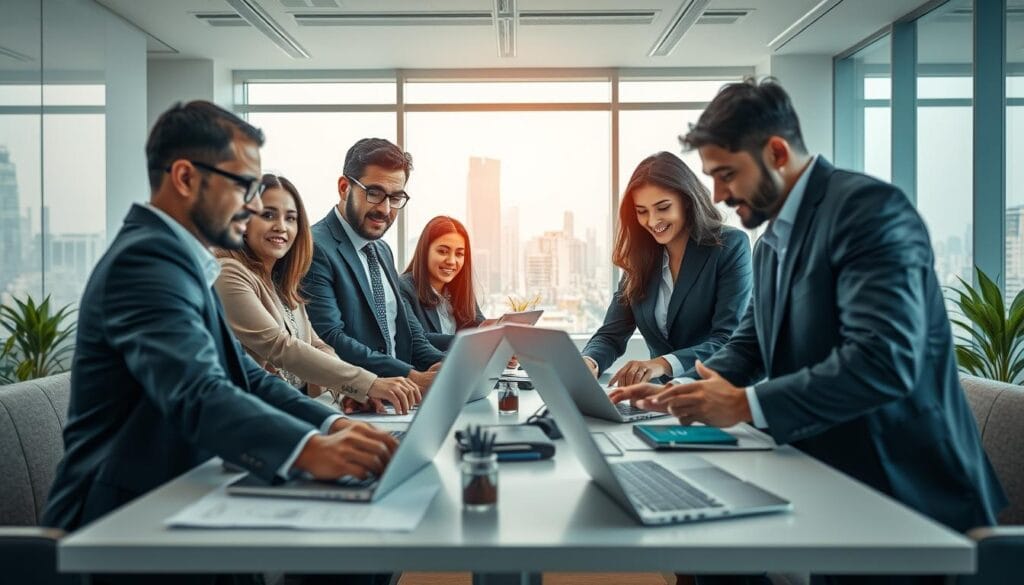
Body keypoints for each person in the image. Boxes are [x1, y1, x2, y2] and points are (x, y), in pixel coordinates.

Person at [611, 79, 1006, 585]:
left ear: (776, 152)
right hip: (830, 484)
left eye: (727, 174)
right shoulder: (771, 241)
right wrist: (676, 393)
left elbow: (882, 361)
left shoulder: (869, 211)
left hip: (908, 497)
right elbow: (750, 346)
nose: (718, 195)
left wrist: (745, 406)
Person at [41, 101, 397, 585]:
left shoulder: (182, 260)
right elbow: (198, 392)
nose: (253, 207)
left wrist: (329, 423)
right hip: (122, 521)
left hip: (182, 492)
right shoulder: (145, 262)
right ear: (186, 177)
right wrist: (307, 448)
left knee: (354, 549)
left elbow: (243, 376)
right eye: (244, 187)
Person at [214, 173, 421, 414]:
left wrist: (347, 394)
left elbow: (319, 346)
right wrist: (369, 384)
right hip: (251, 424)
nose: (281, 226)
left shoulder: (282, 285)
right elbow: (281, 347)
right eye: (268, 215)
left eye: (291, 218)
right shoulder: (228, 273)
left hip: (293, 415)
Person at [581, 151, 752, 386]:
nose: (652, 221)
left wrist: (662, 364)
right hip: (656, 400)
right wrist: (590, 362)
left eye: (663, 207)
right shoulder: (640, 258)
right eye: (642, 211)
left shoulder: (730, 246)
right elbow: (611, 334)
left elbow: (728, 339)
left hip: (712, 394)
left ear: (687, 201)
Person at [303, 138, 444, 391]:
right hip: (358, 397)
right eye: (375, 193)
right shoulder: (314, 247)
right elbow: (331, 338)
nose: (385, 209)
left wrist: (443, 364)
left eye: (396, 197)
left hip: (400, 397)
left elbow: (407, 327)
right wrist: (412, 376)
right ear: (344, 187)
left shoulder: (381, 249)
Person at [399, 215, 485, 352]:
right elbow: (418, 340)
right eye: (443, 251)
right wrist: (475, 342)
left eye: (459, 254)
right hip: (428, 371)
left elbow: (480, 330)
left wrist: (501, 350)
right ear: (425, 251)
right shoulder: (403, 288)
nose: (452, 261)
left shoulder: (460, 290)